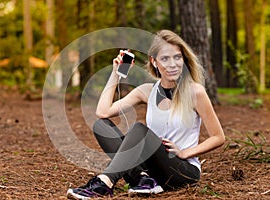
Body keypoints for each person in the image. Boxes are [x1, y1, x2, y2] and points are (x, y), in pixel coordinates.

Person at [67, 30, 225, 199]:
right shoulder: (147, 91)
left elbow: (218, 137)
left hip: (182, 171)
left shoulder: (195, 92)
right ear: (154, 62)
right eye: (165, 58)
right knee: (102, 126)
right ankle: (144, 180)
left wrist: (185, 153)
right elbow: (103, 112)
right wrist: (115, 74)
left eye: (177, 57)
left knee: (139, 131)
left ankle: (104, 182)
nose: (173, 64)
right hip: (152, 168)